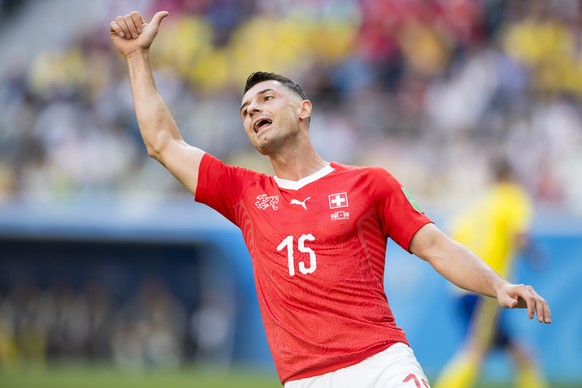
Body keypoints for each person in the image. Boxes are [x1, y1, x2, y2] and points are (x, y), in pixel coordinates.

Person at [109, 11, 551, 388]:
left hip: (381, 364)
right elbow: (162, 142)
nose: (253, 112)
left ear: (304, 109)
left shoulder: (369, 184)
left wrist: (497, 285)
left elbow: (435, 246)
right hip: (305, 379)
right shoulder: (244, 192)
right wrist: (137, 58)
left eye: (266, 99)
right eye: (245, 110)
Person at [434, 158, 548, 388]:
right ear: (511, 176)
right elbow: (520, 236)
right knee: (475, 352)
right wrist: (537, 256)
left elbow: (452, 235)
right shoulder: (512, 197)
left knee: (521, 353)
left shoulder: (478, 203)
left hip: (461, 286)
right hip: (488, 289)